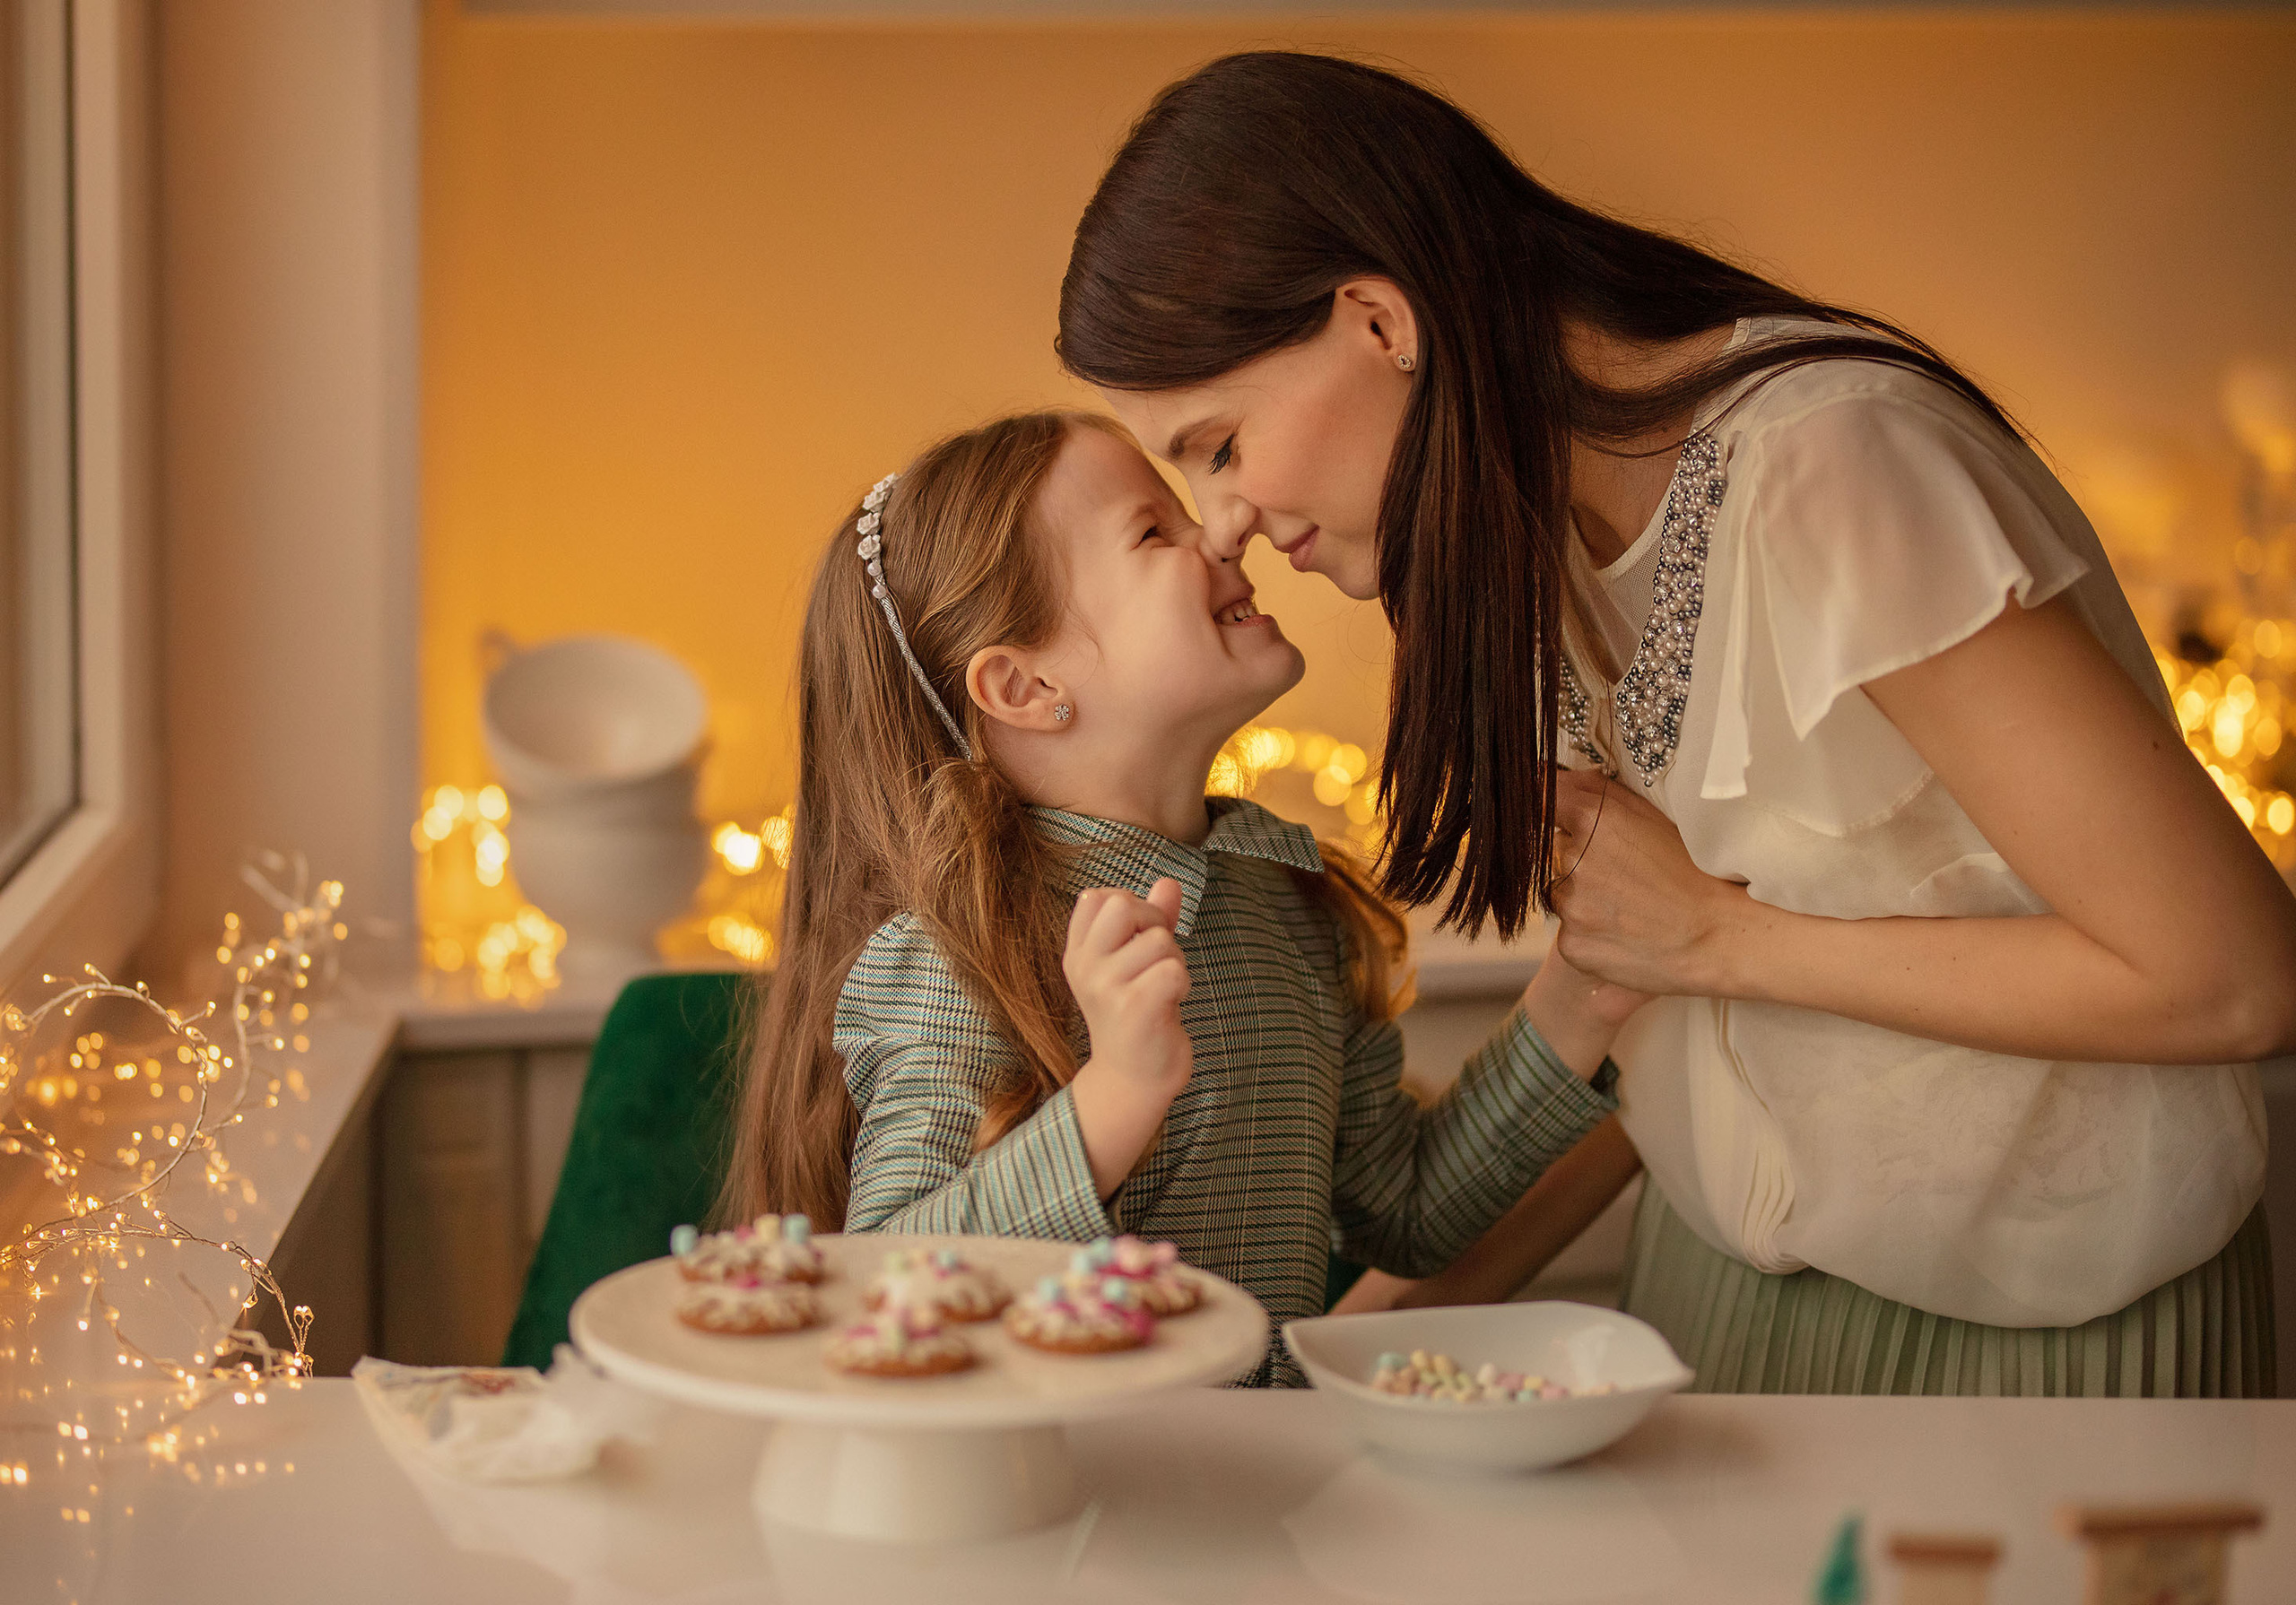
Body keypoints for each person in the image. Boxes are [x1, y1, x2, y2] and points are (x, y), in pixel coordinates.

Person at [1057, 51, 2295, 1395]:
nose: (1224, 521)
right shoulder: (1535, 554)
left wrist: (1723, 936)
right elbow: (1669, 1049)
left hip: (2034, 1351)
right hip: (1709, 1321)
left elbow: (2231, 975)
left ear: (1376, 319)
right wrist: (1342, 1377)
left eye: (1220, 445)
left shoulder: (1837, 466)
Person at [718, 410, 1639, 1384]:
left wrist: (1583, 987)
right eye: (1155, 530)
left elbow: (1403, 1208)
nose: (1222, 532)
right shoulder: (959, 951)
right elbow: (883, 1282)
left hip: (1259, 1503)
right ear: (1025, 685)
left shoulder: (1291, 908)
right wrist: (1115, 1095)